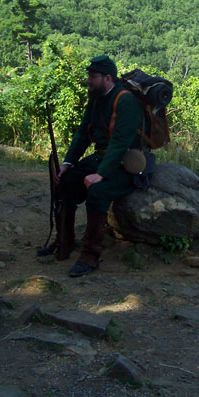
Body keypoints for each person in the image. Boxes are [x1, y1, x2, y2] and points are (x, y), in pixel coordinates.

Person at [53, 55, 143, 277]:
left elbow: (120, 143)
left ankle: (90, 256)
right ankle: (64, 242)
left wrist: (100, 174)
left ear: (107, 78)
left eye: (93, 77)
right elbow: (83, 132)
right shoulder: (96, 98)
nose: (88, 80)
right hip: (101, 157)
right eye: (89, 76)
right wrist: (67, 163)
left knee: (97, 192)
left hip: (125, 164)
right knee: (65, 182)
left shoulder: (126, 101)